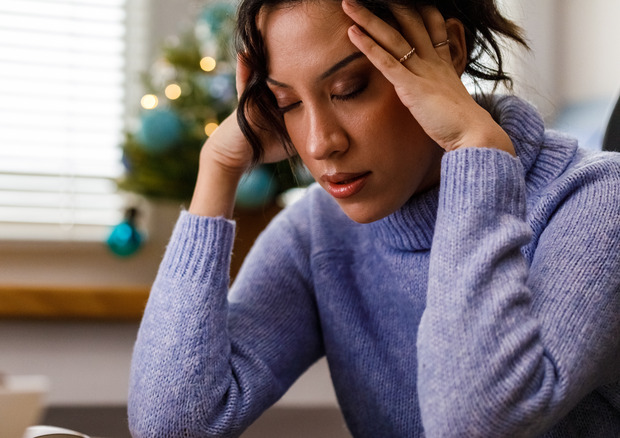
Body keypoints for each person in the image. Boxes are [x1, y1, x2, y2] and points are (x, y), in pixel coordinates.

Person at [128, 0, 620, 436]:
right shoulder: (318, 232)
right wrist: (219, 167)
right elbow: (172, 425)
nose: (320, 144)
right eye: (288, 104)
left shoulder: (598, 200)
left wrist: (477, 152)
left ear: (446, 55)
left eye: (348, 89)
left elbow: (473, 423)